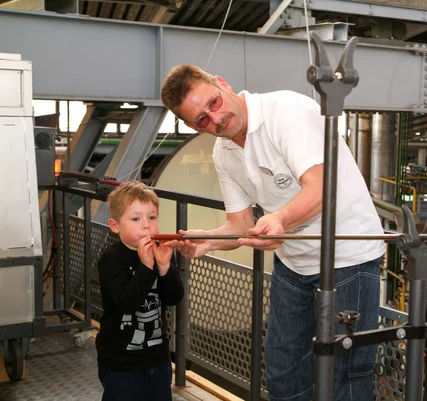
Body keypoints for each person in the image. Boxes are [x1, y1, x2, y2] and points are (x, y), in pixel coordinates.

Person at [160, 64, 385, 401]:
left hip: (347, 257)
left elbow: (324, 187)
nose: (215, 119)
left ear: (222, 84)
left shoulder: (287, 113)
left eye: (214, 104)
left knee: (345, 372)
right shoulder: (224, 152)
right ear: (193, 127)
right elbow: (239, 222)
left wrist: (279, 218)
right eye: (202, 121)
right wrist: (208, 241)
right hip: (293, 263)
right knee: (282, 368)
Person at [96, 180, 184, 401]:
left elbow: (173, 297)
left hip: (158, 359)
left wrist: (164, 266)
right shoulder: (112, 259)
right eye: (135, 219)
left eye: (152, 218)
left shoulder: (159, 252)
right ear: (115, 225)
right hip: (120, 363)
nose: (146, 225)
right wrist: (146, 267)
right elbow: (127, 303)